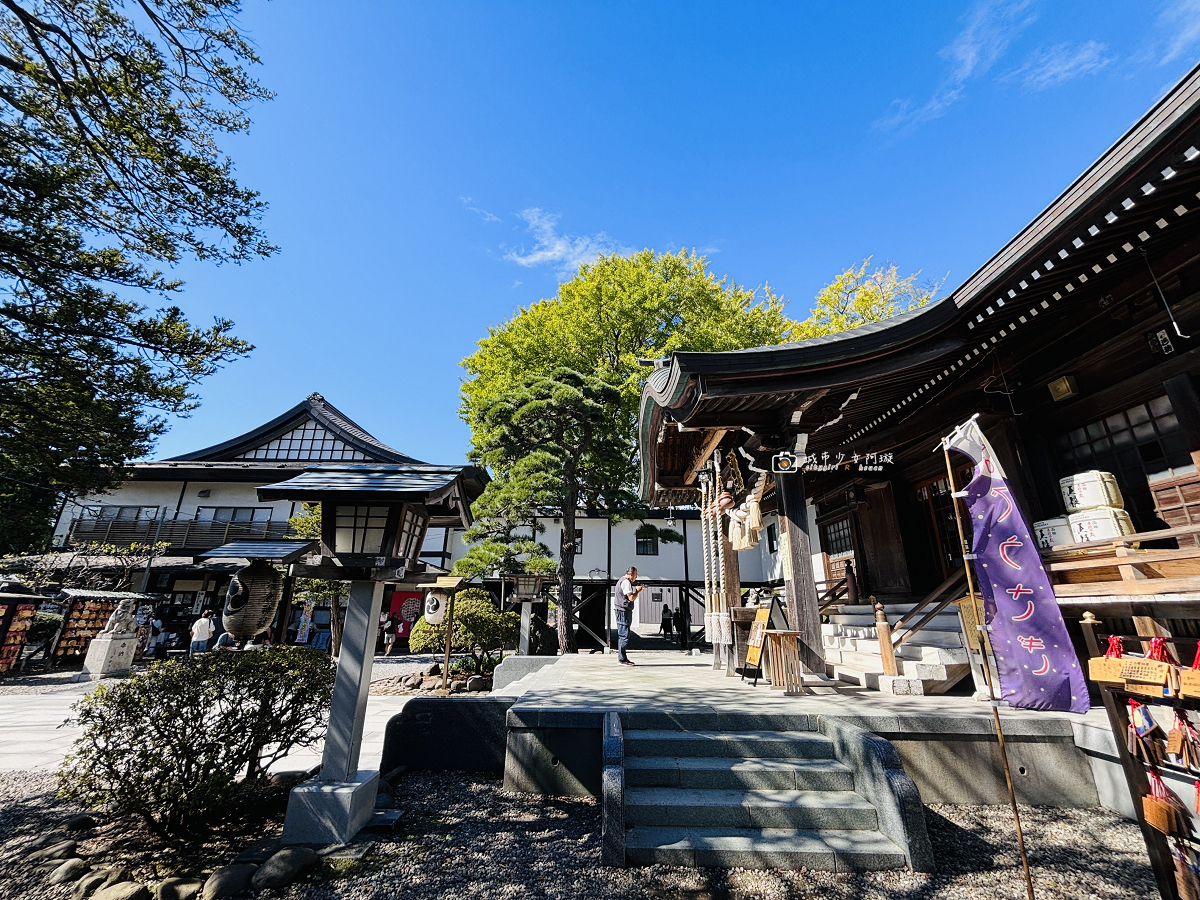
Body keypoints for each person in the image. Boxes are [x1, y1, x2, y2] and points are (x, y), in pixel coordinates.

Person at [612, 566, 643, 666]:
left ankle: (623, 657)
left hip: (621, 610)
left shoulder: (622, 580)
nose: (636, 578)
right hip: (623, 611)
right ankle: (622, 659)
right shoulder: (626, 582)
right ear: (630, 574)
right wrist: (637, 591)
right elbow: (631, 598)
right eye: (635, 575)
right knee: (624, 635)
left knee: (623, 634)